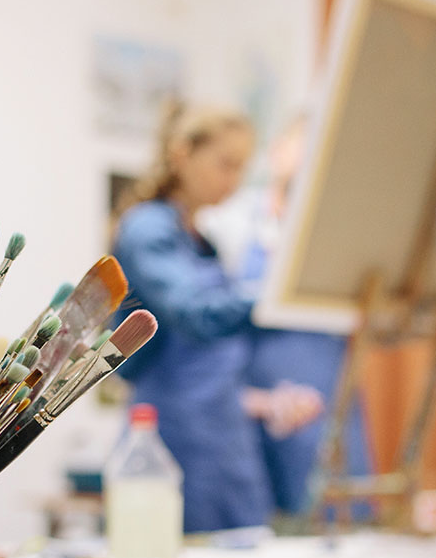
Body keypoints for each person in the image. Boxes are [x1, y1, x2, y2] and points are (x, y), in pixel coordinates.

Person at [112, 103, 322, 533]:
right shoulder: (147, 230)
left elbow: (213, 360)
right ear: (182, 154)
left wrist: (264, 401)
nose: (235, 181)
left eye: (242, 168)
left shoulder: (201, 242)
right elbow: (196, 316)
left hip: (226, 434)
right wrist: (282, 295)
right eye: (226, 164)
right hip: (175, 437)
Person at [206, 116, 374, 526]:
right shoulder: (226, 226)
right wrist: (257, 403)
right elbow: (203, 341)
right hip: (251, 422)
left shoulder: (347, 237)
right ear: (276, 151)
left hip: (329, 418)